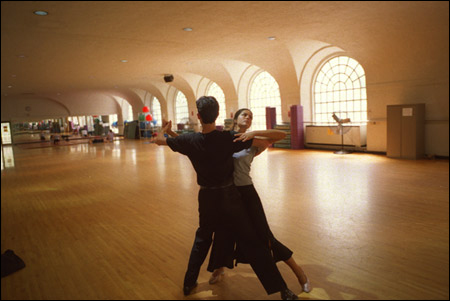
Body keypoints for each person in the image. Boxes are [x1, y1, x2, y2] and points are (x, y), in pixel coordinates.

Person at [154, 96, 298, 300]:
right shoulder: (228, 138)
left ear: (199, 115)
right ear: (218, 115)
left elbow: (161, 141)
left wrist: (165, 131)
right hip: (230, 198)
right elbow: (270, 139)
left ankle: (188, 283)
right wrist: (254, 133)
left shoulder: (189, 140)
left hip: (207, 199)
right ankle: (283, 290)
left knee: (202, 239)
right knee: (253, 241)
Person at [207, 108, 311, 293]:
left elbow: (281, 134)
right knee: (224, 233)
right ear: (235, 118)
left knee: (265, 237)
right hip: (228, 193)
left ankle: (299, 273)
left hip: (247, 193)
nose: (248, 117)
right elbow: (198, 145)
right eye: (244, 114)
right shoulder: (225, 138)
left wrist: (254, 133)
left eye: (251, 116)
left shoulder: (254, 143)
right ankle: (219, 268)